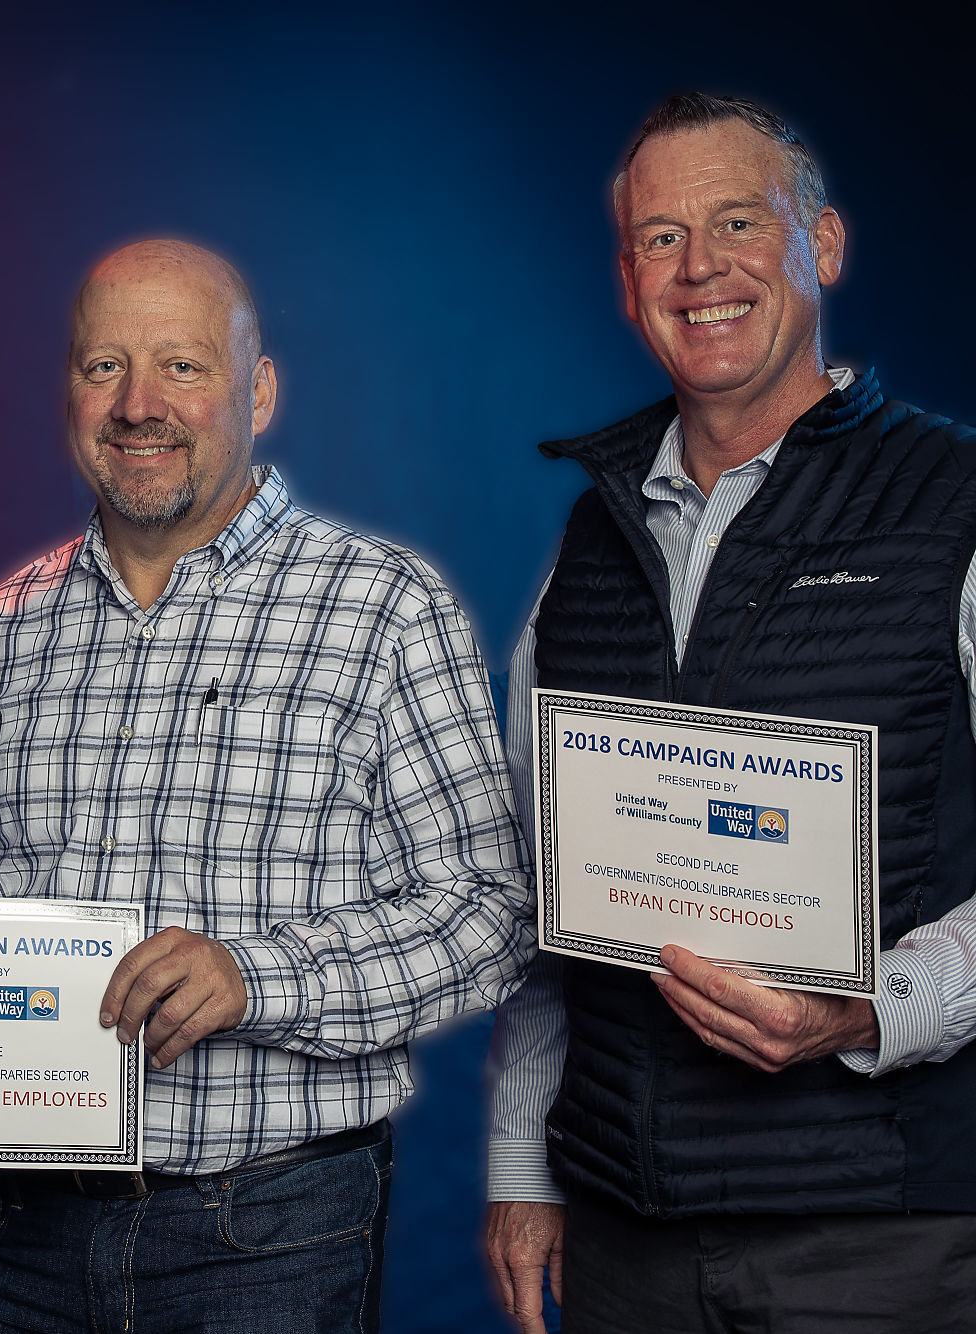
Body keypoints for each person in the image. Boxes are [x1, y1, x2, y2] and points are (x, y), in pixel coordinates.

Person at [0, 237, 535, 1333]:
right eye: (102, 365)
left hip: (265, 1231)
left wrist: (254, 977)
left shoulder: (382, 607)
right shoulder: (2, 632)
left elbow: (488, 916)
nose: (136, 403)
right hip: (27, 1239)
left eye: (182, 365)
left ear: (256, 390)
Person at [484, 93, 976, 1334]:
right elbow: (538, 885)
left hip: (879, 1238)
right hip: (620, 1234)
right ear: (624, 280)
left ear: (821, 247)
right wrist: (520, 1163)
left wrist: (868, 1007)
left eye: (736, 222)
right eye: (658, 236)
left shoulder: (955, 502)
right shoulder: (585, 545)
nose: (696, 266)